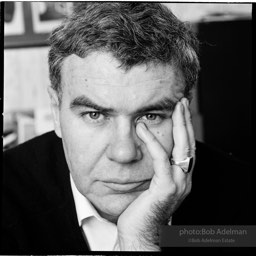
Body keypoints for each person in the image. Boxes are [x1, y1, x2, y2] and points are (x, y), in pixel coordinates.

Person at [1, 2, 251, 253]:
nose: (124, 153)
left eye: (151, 116)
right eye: (94, 114)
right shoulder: (8, 195)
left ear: (185, 113)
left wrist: (141, 240)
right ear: (56, 112)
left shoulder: (242, 204)